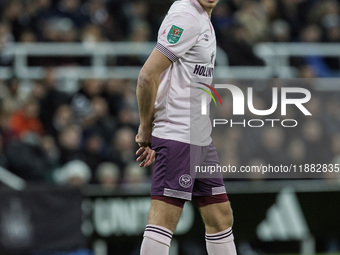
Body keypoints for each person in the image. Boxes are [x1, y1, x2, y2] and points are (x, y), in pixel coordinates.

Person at [135, 0, 237, 255]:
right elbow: (147, 76)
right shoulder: (186, 17)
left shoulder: (202, 16)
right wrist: (146, 128)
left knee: (221, 216)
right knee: (165, 218)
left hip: (200, 137)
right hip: (178, 134)